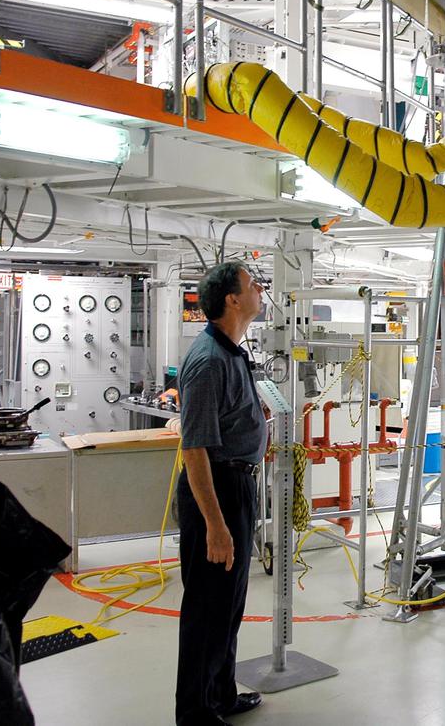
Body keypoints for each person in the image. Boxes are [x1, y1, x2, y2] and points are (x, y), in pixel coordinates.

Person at [175, 262, 267, 726]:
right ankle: (195, 712)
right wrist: (215, 525)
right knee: (207, 607)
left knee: (228, 602)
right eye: (253, 285)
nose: (260, 290)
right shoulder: (209, 361)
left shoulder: (233, 352)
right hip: (215, 489)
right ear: (232, 300)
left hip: (237, 484)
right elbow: (194, 450)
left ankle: (221, 694)